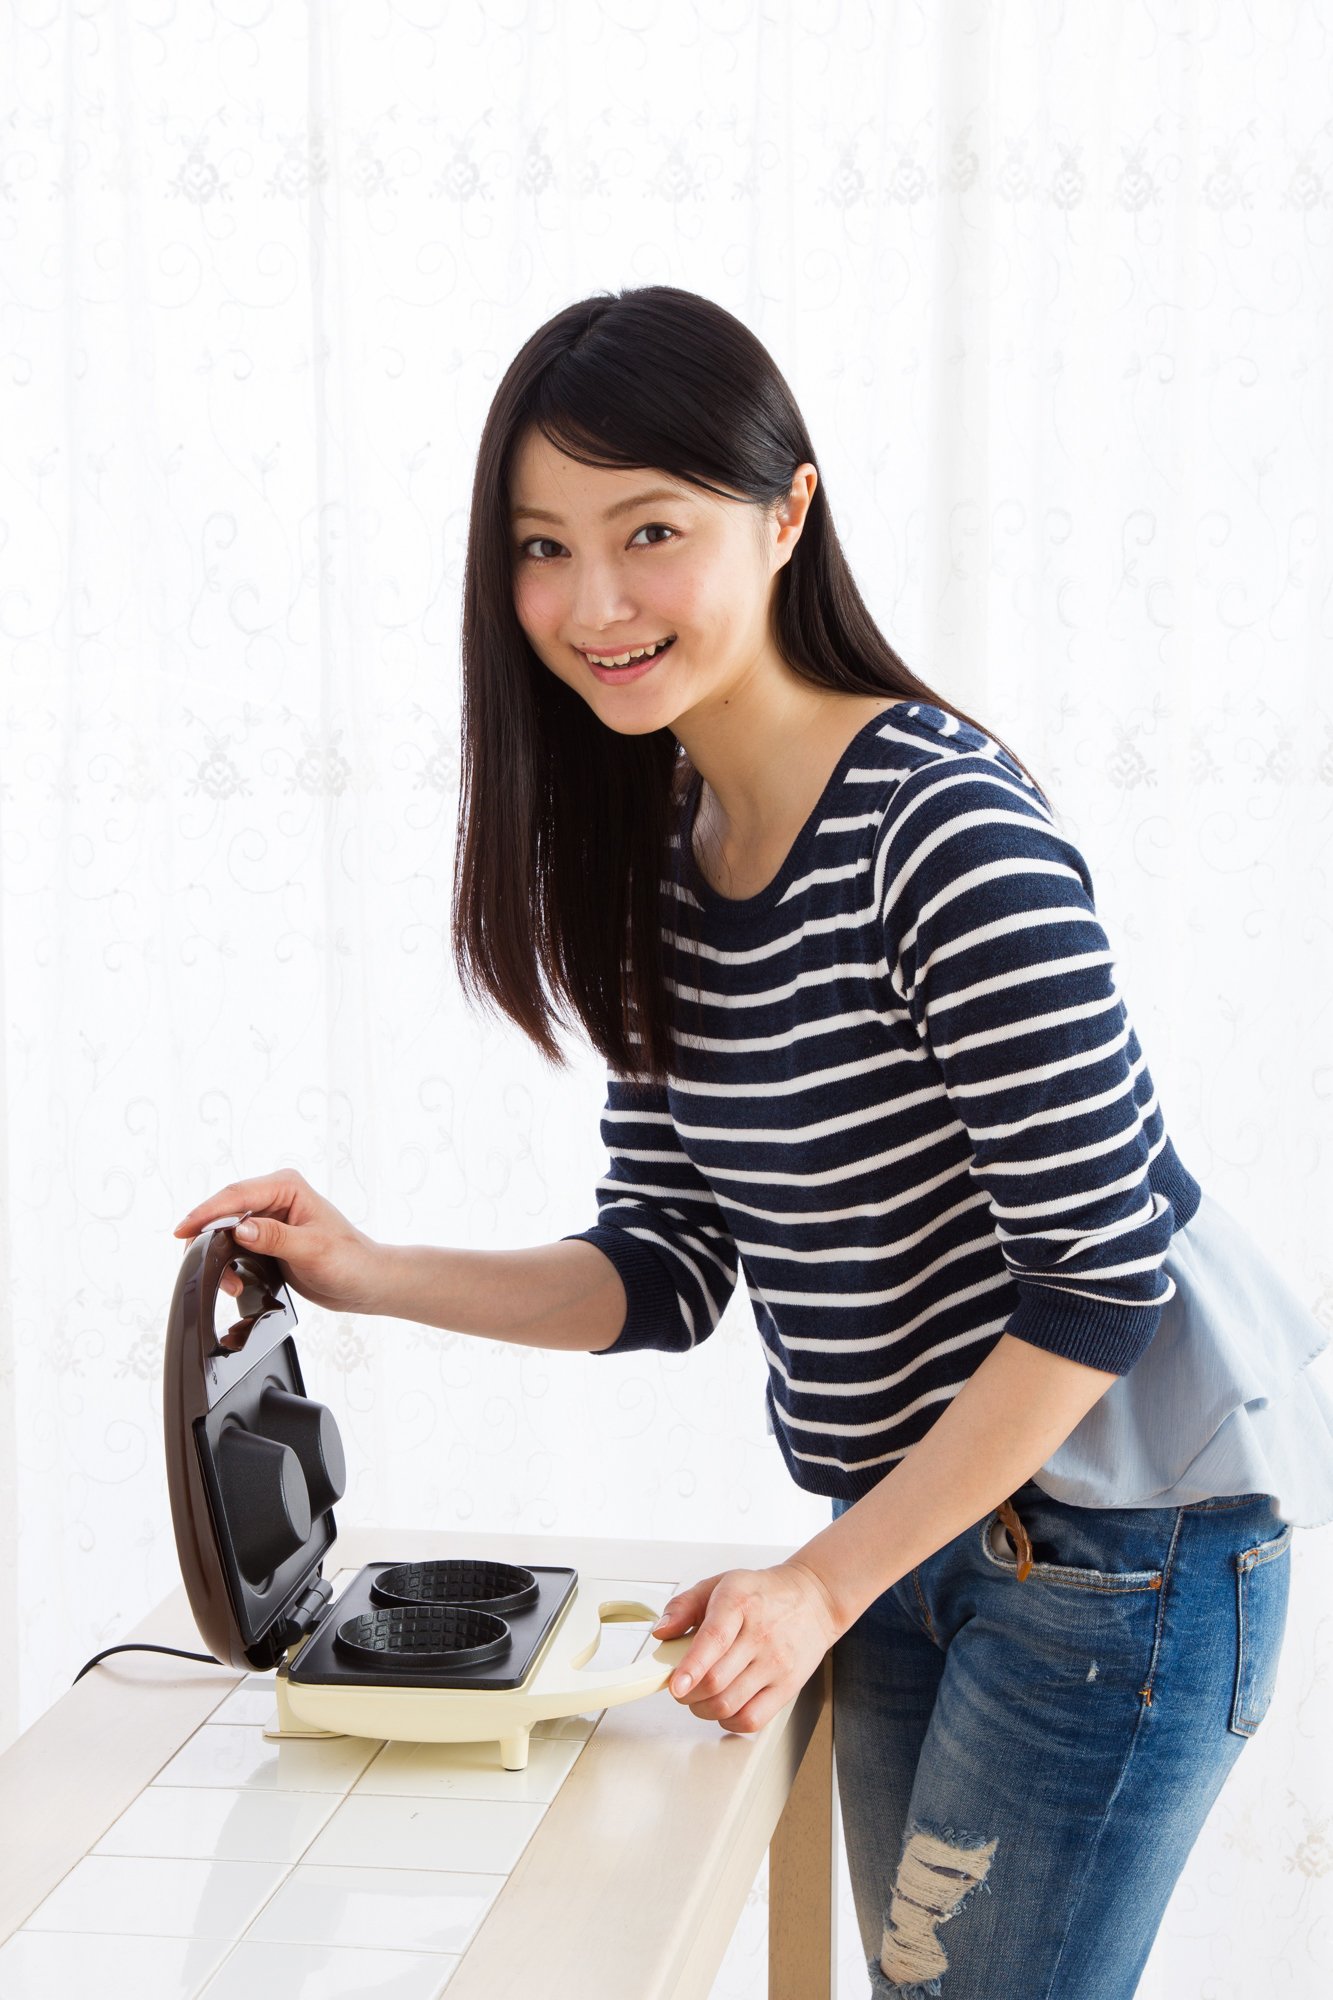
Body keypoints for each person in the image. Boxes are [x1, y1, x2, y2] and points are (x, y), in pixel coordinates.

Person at [174, 285, 1333, 2000]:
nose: (593, 602)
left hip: (1117, 1547)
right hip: (911, 1526)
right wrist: (368, 1269)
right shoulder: (666, 855)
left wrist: (814, 1589)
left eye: (650, 531)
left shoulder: (943, 831)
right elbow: (664, 1266)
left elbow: (1099, 1282)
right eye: (542, 547)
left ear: (787, 513)